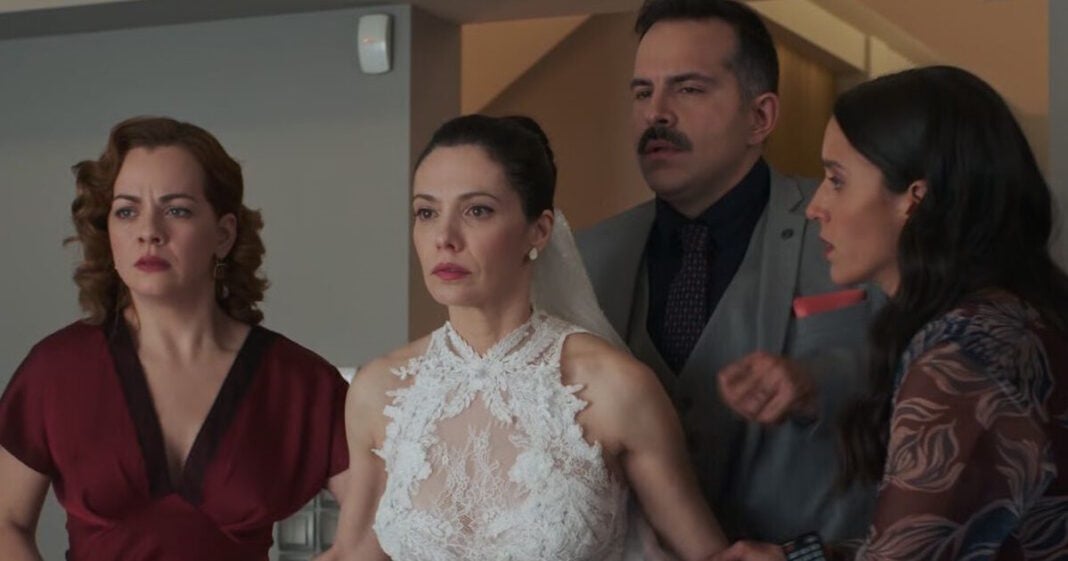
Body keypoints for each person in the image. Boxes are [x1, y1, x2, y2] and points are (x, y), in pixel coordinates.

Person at [323, 114, 727, 561]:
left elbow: (707, 556)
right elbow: (353, 554)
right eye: (427, 212)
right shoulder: (379, 390)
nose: (444, 237)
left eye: (477, 210)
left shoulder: (613, 386)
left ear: (539, 230)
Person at [715, 65, 1068, 561]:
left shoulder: (964, 353)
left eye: (836, 180)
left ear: (914, 200)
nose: (815, 206)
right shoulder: (1003, 320)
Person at [577, 0, 876, 543]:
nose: (656, 114)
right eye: (642, 92)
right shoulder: (587, 256)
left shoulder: (850, 227)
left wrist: (816, 383)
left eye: (688, 89)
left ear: (760, 117)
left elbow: (914, 382)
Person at [0, 117, 349, 561]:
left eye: (177, 210)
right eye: (126, 211)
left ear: (223, 234)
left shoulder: (300, 383)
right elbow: (5, 522)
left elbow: (382, 526)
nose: (149, 231)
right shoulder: (56, 371)